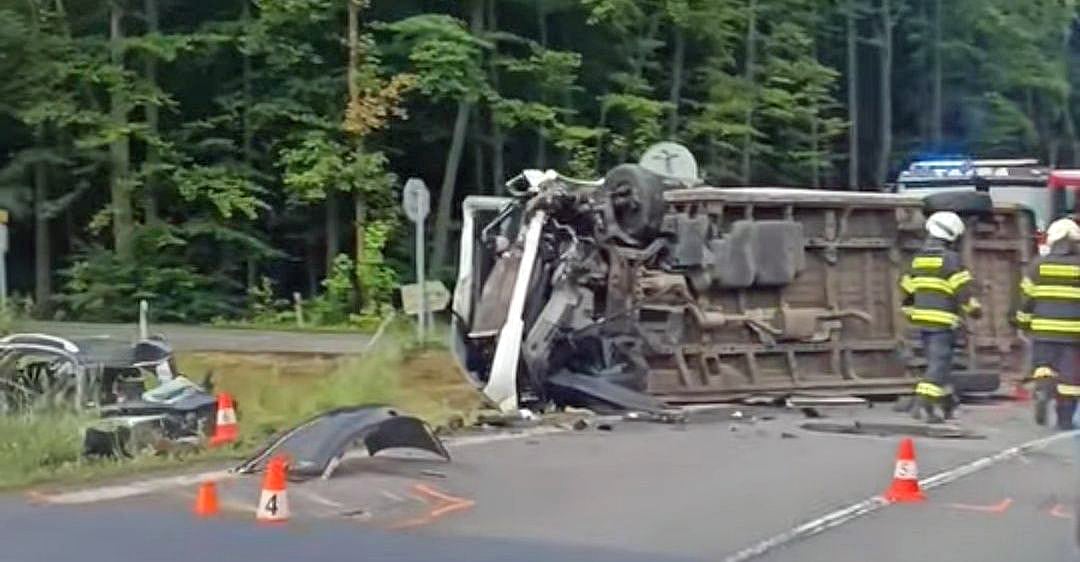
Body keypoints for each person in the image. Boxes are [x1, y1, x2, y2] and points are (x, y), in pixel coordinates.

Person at [900, 211, 982, 423]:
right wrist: (974, 310)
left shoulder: (918, 259)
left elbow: (907, 288)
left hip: (922, 321)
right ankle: (922, 404)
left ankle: (947, 403)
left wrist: (910, 311)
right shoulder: (951, 259)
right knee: (939, 364)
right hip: (943, 322)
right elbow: (962, 290)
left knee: (939, 364)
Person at [1015, 217, 1080, 430]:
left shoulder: (1037, 265)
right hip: (1074, 334)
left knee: (1044, 366)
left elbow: (1026, 298)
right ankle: (1064, 419)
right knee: (1070, 380)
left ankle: (1043, 389)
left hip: (1042, 330)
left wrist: (1023, 324)